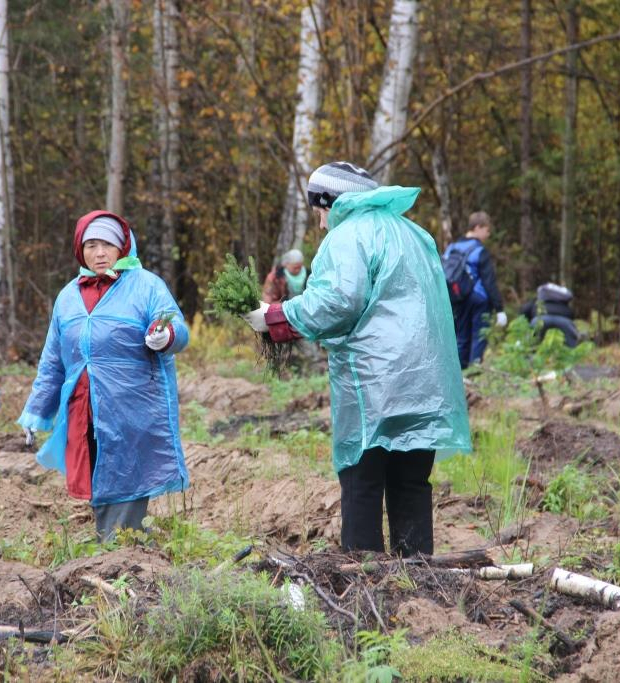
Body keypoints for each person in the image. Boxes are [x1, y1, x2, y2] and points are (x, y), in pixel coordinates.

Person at [242, 161, 471, 556]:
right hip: (425, 382)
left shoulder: (349, 235)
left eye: (319, 212)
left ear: (332, 201)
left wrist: (274, 318)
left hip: (373, 383)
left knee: (362, 479)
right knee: (412, 480)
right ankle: (417, 579)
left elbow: (338, 302)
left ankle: (362, 577)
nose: (320, 224)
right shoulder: (416, 234)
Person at [18, 211, 190, 541]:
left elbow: (177, 330)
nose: (99, 253)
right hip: (84, 407)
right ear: (80, 250)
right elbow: (53, 359)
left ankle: (120, 550)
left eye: (107, 245)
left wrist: (164, 336)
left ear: (122, 247)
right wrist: (36, 410)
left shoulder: (146, 286)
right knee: (98, 472)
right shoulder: (68, 296)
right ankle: (117, 544)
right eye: (92, 245)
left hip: (134, 407)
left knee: (128, 474)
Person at [444, 212, 506, 368]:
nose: (488, 234)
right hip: (479, 299)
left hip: (457, 298)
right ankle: (474, 370)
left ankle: (458, 375)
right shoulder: (479, 251)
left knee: (461, 337)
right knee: (479, 336)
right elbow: (489, 282)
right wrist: (499, 309)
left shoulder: (451, 248)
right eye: (486, 230)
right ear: (477, 227)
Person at [519, 282, 580, 347]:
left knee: (530, 346)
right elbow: (572, 314)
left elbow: (524, 312)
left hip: (540, 320)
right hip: (565, 322)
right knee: (570, 349)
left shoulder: (536, 301)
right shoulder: (563, 303)